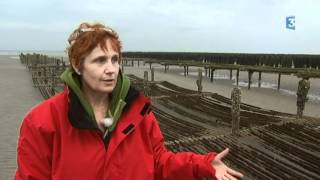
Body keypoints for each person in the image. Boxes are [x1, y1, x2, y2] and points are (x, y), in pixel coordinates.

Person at [15, 22, 244, 180]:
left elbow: (158, 162)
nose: (111, 69)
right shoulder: (42, 122)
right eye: (100, 60)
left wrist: (201, 164)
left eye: (115, 59)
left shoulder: (139, 112)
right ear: (77, 65)